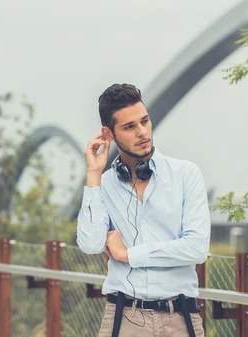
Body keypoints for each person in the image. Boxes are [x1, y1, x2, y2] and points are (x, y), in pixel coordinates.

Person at [76, 83, 211, 337]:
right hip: (123, 318)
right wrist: (94, 174)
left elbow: (197, 248)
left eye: (145, 121)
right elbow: (90, 244)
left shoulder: (185, 174)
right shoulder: (104, 185)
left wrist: (129, 255)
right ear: (109, 133)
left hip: (180, 318)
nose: (142, 132)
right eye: (129, 127)